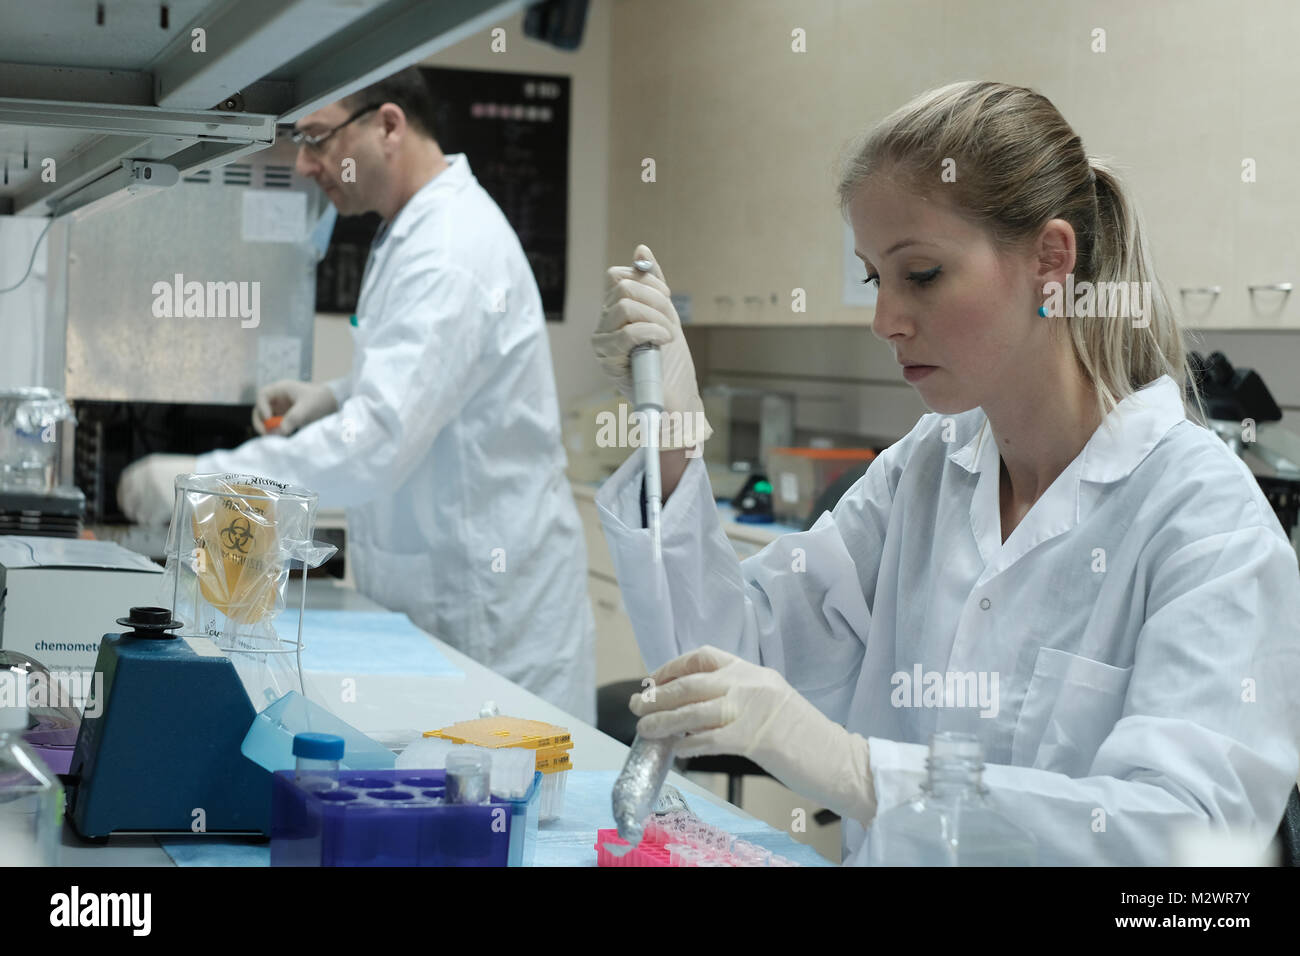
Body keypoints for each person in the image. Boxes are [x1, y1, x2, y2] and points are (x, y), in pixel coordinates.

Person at [591, 80, 1300, 865]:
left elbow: (1195, 848)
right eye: (873, 277)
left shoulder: (1205, 522)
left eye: (920, 273)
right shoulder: (927, 469)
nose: (884, 318)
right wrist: (675, 429)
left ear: (1050, 261)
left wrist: (863, 774)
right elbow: (714, 660)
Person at [119, 68, 596, 723]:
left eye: (316, 139)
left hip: (490, 620)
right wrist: (337, 396)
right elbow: (434, 382)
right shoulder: (411, 229)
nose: (305, 163)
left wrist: (209, 481)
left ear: (389, 125)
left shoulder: (450, 248)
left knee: (506, 811)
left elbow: (380, 441)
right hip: (439, 599)